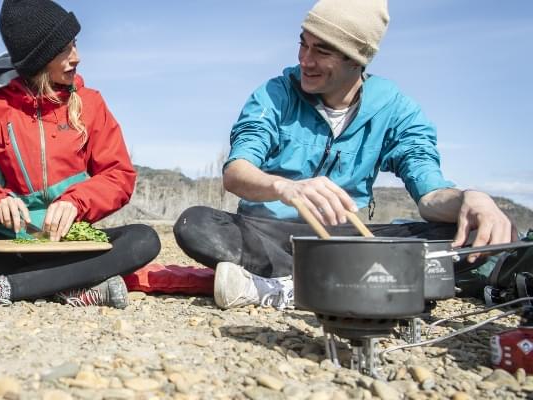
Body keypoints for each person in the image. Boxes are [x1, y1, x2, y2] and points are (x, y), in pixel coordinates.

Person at [173, 0, 515, 310]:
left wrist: (473, 199)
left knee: (472, 234)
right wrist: (286, 189)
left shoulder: (395, 108)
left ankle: (279, 286)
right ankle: (362, 283)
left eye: (322, 51)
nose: (305, 60)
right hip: (268, 235)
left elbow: (429, 193)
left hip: (347, 241)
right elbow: (236, 171)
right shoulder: (274, 94)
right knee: (196, 224)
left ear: (358, 58)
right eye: (303, 44)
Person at [0, 0, 160, 310]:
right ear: (38, 60)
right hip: (2, 242)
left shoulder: (92, 103)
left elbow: (118, 176)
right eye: (64, 50)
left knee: (143, 239)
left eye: (75, 45)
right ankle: (70, 285)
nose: (77, 58)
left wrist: (75, 202)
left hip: (70, 244)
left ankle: (0, 288)